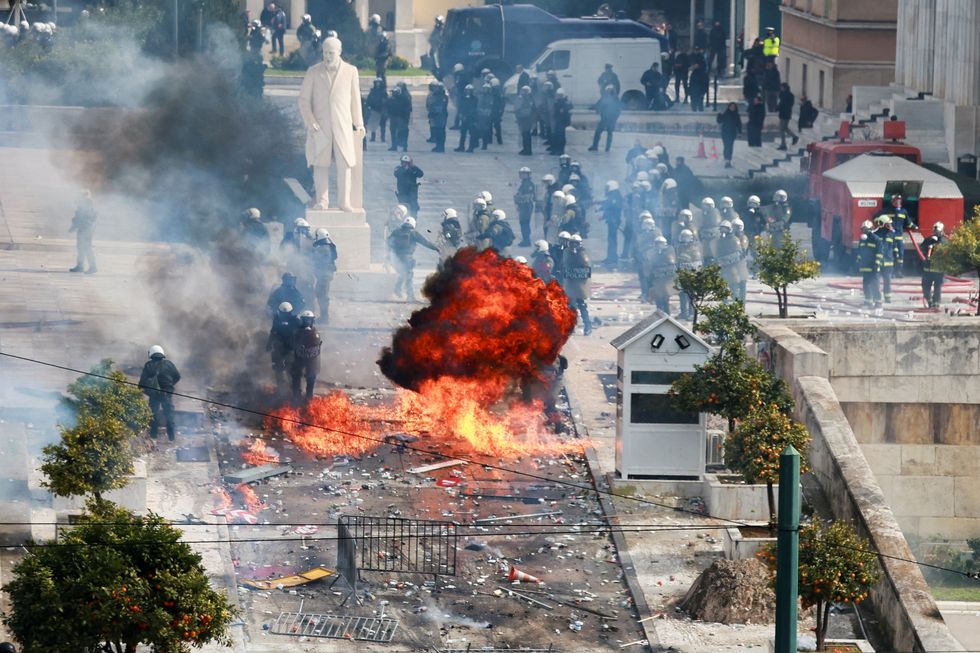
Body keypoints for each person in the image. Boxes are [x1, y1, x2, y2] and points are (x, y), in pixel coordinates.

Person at [388, 216, 438, 300]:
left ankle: (397, 290)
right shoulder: (413, 233)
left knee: (402, 273)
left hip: (395, 257)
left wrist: (387, 257)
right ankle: (410, 296)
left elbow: (389, 242)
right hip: (407, 257)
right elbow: (425, 242)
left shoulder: (396, 231)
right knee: (409, 275)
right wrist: (436, 248)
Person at [139, 345, 181, 441]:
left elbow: (142, 382)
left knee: (154, 414)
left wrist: (146, 390)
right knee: (169, 414)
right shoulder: (169, 364)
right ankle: (171, 437)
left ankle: (153, 436)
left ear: (151, 354)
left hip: (154, 394)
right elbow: (177, 376)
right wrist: (170, 385)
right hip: (167, 393)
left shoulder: (148, 365)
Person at [562, 234, 593, 335]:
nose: (573, 245)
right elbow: (566, 265)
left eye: (575, 243)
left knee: (582, 306)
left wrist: (572, 272)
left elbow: (586, 270)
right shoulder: (567, 252)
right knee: (571, 306)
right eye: (571, 243)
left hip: (579, 285)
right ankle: (571, 326)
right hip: (570, 284)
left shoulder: (582, 253)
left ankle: (587, 326)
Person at [877, 194, 914, 276]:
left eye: (899, 200)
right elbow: (876, 217)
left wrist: (915, 226)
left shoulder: (903, 211)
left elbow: (909, 223)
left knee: (900, 256)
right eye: (896, 200)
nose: (898, 202)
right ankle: (890, 272)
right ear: (892, 201)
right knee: (890, 255)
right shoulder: (886, 211)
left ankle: (898, 272)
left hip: (899, 238)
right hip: (889, 237)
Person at [290, 310, 321, 403]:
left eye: (309, 320)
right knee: (296, 375)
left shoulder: (314, 333)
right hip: (301, 359)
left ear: (312, 321)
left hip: (311, 360)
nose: (307, 322)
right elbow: (294, 344)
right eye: (305, 320)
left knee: (310, 377)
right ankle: (297, 395)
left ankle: (308, 397)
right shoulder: (299, 332)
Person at [267, 301, 298, 390]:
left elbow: (301, 335)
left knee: (289, 369)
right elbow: (273, 332)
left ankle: (292, 389)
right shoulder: (277, 320)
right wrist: (269, 344)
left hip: (289, 349)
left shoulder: (296, 321)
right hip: (279, 348)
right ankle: (282, 390)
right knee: (279, 369)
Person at [675, 229, 703, 320]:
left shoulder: (694, 248)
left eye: (686, 237)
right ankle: (683, 313)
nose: (684, 239)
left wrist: (688, 265)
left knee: (691, 295)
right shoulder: (678, 248)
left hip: (692, 275)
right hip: (682, 275)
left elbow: (698, 263)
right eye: (683, 237)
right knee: (682, 294)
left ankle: (692, 313)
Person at [311, 228, 337, 322]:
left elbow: (317, 259)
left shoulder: (323, 248)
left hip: (324, 276)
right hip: (325, 275)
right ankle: (324, 316)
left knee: (322, 295)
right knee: (320, 293)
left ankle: (324, 317)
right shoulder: (327, 246)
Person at [69, 189, 97, 273]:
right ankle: (80, 266)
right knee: (81, 248)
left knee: (86, 248)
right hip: (84, 228)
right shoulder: (86, 203)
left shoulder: (86, 204)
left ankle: (92, 267)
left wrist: (74, 226)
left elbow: (81, 217)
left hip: (86, 228)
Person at [856, 220, 882, 308]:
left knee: (875, 285)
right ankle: (868, 302)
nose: (864, 231)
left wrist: (877, 264)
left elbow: (879, 253)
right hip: (865, 267)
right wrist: (858, 263)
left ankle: (878, 303)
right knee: (866, 285)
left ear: (871, 229)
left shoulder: (876, 239)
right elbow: (859, 252)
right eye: (863, 229)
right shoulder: (862, 240)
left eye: (866, 229)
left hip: (873, 267)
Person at [920, 222, 946, 309]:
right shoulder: (931, 240)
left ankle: (935, 303)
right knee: (928, 287)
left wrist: (935, 242)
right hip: (931, 269)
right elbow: (922, 249)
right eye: (935, 231)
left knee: (935, 288)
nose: (936, 232)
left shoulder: (943, 241)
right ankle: (932, 302)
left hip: (935, 270)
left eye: (937, 231)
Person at [589, 85, 622, 152]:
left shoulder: (614, 99)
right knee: (599, 132)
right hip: (605, 119)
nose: (609, 91)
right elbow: (598, 104)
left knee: (607, 133)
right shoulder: (606, 97)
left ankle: (606, 148)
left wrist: (614, 118)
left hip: (609, 119)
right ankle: (596, 146)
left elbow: (618, 110)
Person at [648, 236, 676, 312]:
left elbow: (671, 266)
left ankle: (667, 315)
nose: (658, 245)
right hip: (657, 279)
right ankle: (659, 315)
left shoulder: (669, 252)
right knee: (658, 298)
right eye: (657, 244)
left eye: (660, 243)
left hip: (666, 279)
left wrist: (663, 271)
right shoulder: (652, 253)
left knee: (665, 298)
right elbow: (650, 266)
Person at [599, 180, 624, 265]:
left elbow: (610, 206)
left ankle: (612, 258)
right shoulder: (615, 196)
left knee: (612, 240)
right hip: (612, 220)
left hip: (613, 221)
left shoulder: (615, 196)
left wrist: (602, 212)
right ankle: (611, 257)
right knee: (611, 240)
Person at [873, 215, 897, 303]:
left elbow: (894, 247)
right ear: (882, 224)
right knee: (876, 282)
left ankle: (888, 298)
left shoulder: (891, 234)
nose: (890, 226)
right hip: (877, 262)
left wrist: (897, 259)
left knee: (887, 281)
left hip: (888, 262)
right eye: (888, 224)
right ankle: (877, 298)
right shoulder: (874, 235)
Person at [514, 166, 536, 246]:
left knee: (525, 223)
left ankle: (526, 240)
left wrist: (518, 197)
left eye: (525, 174)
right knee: (523, 223)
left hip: (526, 206)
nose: (523, 175)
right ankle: (525, 239)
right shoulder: (524, 183)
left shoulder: (528, 184)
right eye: (522, 174)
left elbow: (527, 197)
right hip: (523, 206)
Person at [386, 83, 412, 151]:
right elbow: (388, 107)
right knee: (393, 132)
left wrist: (406, 118)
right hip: (393, 117)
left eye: (395, 92)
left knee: (402, 132)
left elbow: (408, 109)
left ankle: (404, 146)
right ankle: (394, 146)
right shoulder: (391, 99)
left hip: (401, 118)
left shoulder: (405, 99)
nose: (393, 93)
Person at [716, 102, 742, 168]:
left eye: (734, 107)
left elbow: (739, 124)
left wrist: (740, 132)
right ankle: (727, 159)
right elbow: (719, 121)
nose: (732, 108)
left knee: (730, 146)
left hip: (732, 133)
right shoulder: (725, 114)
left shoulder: (736, 115)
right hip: (725, 133)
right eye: (731, 106)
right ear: (729, 107)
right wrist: (719, 114)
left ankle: (728, 160)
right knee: (726, 146)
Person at [426, 81, 449, 152]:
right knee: (437, 131)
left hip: (440, 116)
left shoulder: (443, 97)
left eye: (437, 88)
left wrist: (434, 110)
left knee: (441, 131)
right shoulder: (434, 95)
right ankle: (438, 146)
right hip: (434, 115)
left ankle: (441, 147)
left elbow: (441, 106)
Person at [454, 84, 478, 152]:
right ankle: (461, 146)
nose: (468, 91)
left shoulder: (474, 99)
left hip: (471, 118)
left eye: (469, 90)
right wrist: (461, 114)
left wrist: (468, 115)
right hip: (464, 118)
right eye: (467, 90)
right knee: (463, 133)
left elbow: (474, 109)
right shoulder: (463, 98)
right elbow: (461, 107)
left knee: (472, 133)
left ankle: (471, 147)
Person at [777, 82, 799, 150]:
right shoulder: (786, 94)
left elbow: (782, 104)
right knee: (784, 128)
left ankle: (783, 144)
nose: (781, 88)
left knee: (781, 129)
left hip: (785, 114)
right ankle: (794, 137)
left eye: (781, 87)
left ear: (784, 87)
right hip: (785, 113)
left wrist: (777, 108)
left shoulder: (786, 95)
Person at [515, 85, 536, 156]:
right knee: (524, 134)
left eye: (525, 91)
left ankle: (527, 150)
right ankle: (526, 149)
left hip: (527, 118)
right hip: (523, 118)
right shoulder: (525, 98)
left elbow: (532, 110)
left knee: (526, 134)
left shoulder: (528, 99)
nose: (523, 92)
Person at [549, 88, 571, 155]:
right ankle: (556, 149)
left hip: (561, 121)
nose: (558, 96)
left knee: (560, 136)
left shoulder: (564, 103)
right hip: (558, 121)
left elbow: (563, 113)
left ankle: (560, 150)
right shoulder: (559, 102)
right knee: (556, 136)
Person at [366, 78, 387, 143]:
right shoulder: (372, 91)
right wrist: (369, 105)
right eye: (376, 82)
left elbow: (387, 101)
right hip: (374, 110)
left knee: (382, 126)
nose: (378, 84)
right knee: (373, 125)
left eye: (379, 82)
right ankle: (373, 137)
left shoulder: (383, 92)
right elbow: (369, 99)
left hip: (382, 111)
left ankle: (382, 138)